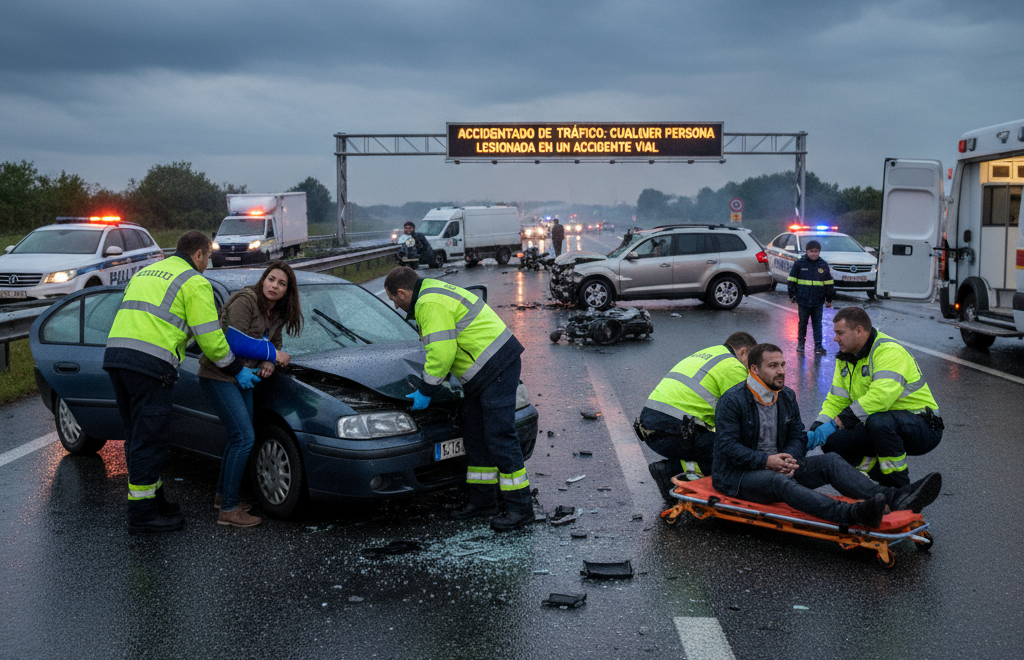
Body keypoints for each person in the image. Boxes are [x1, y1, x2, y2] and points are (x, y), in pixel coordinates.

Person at [104, 230, 259, 534]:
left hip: (117, 357)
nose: (208, 263)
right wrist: (236, 369)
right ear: (199, 254)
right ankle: (142, 514)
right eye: (208, 256)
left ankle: (154, 499)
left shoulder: (146, 272)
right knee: (151, 439)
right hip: (151, 365)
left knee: (138, 434)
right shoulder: (194, 282)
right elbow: (211, 339)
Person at [712, 343, 942, 527]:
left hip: (779, 465)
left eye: (782, 364)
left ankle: (894, 498)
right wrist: (766, 461)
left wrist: (790, 457)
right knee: (778, 480)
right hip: (737, 477)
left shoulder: (786, 396)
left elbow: (796, 436)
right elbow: (727, 447)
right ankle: (852, 514)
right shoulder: (733, 401)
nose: (781, 371)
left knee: (830, 461)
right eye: (773, 366)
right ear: (754, 370)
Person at [384, 266, 532, 531]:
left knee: (500, 436)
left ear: (403, 293)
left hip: (496, 365)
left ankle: (520, 508)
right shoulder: (431, 291)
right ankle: (483, 502)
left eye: (394, 300)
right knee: (475, 435)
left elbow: (441, 353)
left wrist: (426, 390)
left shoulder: (429, 303)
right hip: (484, 371)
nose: (396, 306)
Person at [198, 261, 303, 527]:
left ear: (287, 291)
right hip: (219, 375)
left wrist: (269, 361)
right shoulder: (245, 300)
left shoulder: (277, 311)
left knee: (239, 437)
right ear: (263, 280)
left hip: (245, 379)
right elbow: (234, 340)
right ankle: (229, 511)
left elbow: (274, 341)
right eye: (271, 279)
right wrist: (273, 355)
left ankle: (223, 498)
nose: (274, 286)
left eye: (281, 284)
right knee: (244, 438)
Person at [813, 306, 943, 488]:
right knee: (832, 441)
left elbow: (881, 397)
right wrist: (817, 428)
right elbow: (837, 399)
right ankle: (883, 481)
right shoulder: (846, 358)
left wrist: (836, 423)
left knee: (879, 422)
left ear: (859, 330)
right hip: (881, 424)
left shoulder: (888, 351)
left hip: (923, 426)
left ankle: (900, 489)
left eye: (840, 333)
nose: (835, 338)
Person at [637, 332, 757, 500]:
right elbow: (746, 416)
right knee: (734, 454)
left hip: (652, 428)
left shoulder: (711, 353)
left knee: (723, 444)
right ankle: (671, 470)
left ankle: (680, 469)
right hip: (673, 432)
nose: (750, 369)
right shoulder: (733, 366)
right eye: (750, 362)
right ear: (743, 352)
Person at [788, 239, 834, 355]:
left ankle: (818, 345)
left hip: (818, 301)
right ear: (807, 251)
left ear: (819, 252)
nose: (814, 254)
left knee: (817, 323)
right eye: (811, 251)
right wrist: (792, 295)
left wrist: (829, 299)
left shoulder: (823, 265)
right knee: (802, 322)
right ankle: (801, 344)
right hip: (803, 300)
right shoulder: (799, 264)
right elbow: (792, 280)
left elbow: (828, 283)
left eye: (816, 251)